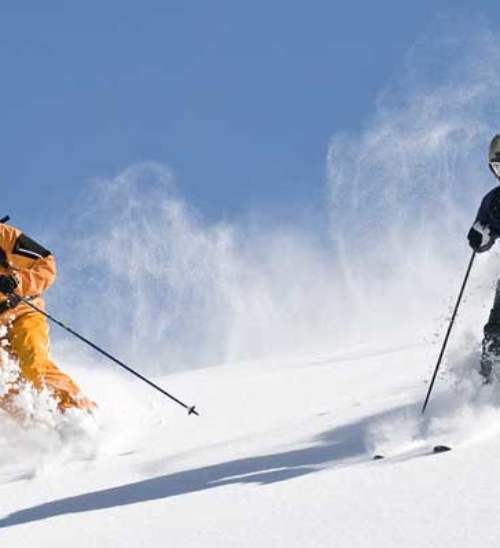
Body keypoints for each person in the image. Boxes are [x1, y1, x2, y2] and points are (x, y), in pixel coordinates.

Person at [0, 220, 95, 419]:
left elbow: (45, 263)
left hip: (20, 312)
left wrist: (16, 282)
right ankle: (36, 433)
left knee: (34, 362)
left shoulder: (4, 236)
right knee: (4, 383)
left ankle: (78, 413)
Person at [468, 134, 500, 382]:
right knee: (496, 331)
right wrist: (479, 237)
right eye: (498, 166)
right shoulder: (493, 201)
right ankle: (489, 386)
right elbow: (484, 238)